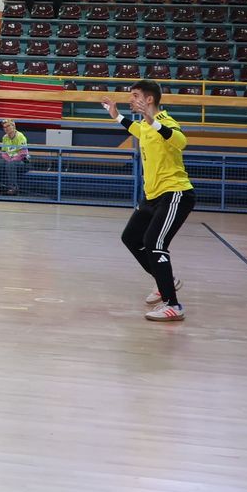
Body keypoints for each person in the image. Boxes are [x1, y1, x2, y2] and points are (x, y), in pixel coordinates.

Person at [103, 81, 195, 322]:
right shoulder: (144, 125)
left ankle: (173, 304)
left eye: (135, 96)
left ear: (150, 100)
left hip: (175, 193)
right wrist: (116, 116)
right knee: (131, 238)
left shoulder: (165, 120)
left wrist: (153, 121)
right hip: (152, 197)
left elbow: (180, 140)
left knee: (154, 242)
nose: (131, 99)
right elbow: (136, 129)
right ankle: (165, 281)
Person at [0, 118, 30, 195]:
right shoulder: (5, 137)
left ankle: (13, 188)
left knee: (10, 164)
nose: (6, 128)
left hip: (23, 162)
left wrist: (11, 160)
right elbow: (4, 152)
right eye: (4, 127)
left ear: (13, 126)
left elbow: (23, 153)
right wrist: (9, 160)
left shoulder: (20, 136)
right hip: (10, 160)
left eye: (8, 126)